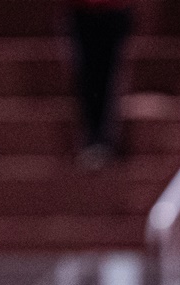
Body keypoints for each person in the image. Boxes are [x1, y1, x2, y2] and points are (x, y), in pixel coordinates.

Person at [67, 0, 134, 168]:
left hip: (114, 9)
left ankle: (106, 139)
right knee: (86, 75)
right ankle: (92, 138)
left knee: (110, 75)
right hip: (82, 10)